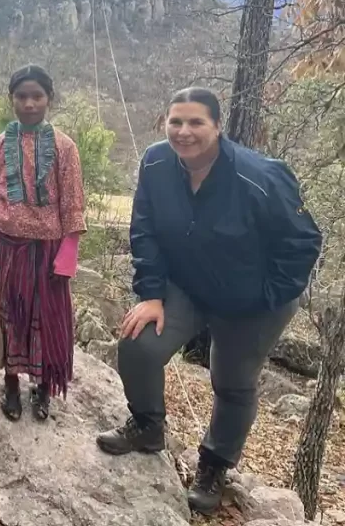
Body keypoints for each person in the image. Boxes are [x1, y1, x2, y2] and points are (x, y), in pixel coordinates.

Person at [95, 87, 321, 515]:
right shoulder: (157, 162)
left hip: (253, 300)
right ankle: (147, 426)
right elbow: (144, 230)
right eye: (175, 121)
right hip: (187, 286)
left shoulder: (262, 177)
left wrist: (266, 297)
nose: (184, 132)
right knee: (138, 344)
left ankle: (214, 466)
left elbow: (304, 241)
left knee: (232, 382)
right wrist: (152, 294)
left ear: (218, 126)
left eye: (196, 122)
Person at [0, 65, 86, 422]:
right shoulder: (0, 144)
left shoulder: (65, 148)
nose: (29, 103)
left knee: (45, 320)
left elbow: (72, 203)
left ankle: (42, 387)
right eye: (22, 96)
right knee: (9, 317)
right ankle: (10, 384)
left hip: (47, 253)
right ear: (12, 99)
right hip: (6, 248)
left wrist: (68, 254)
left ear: (49, 99)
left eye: (37, 96)